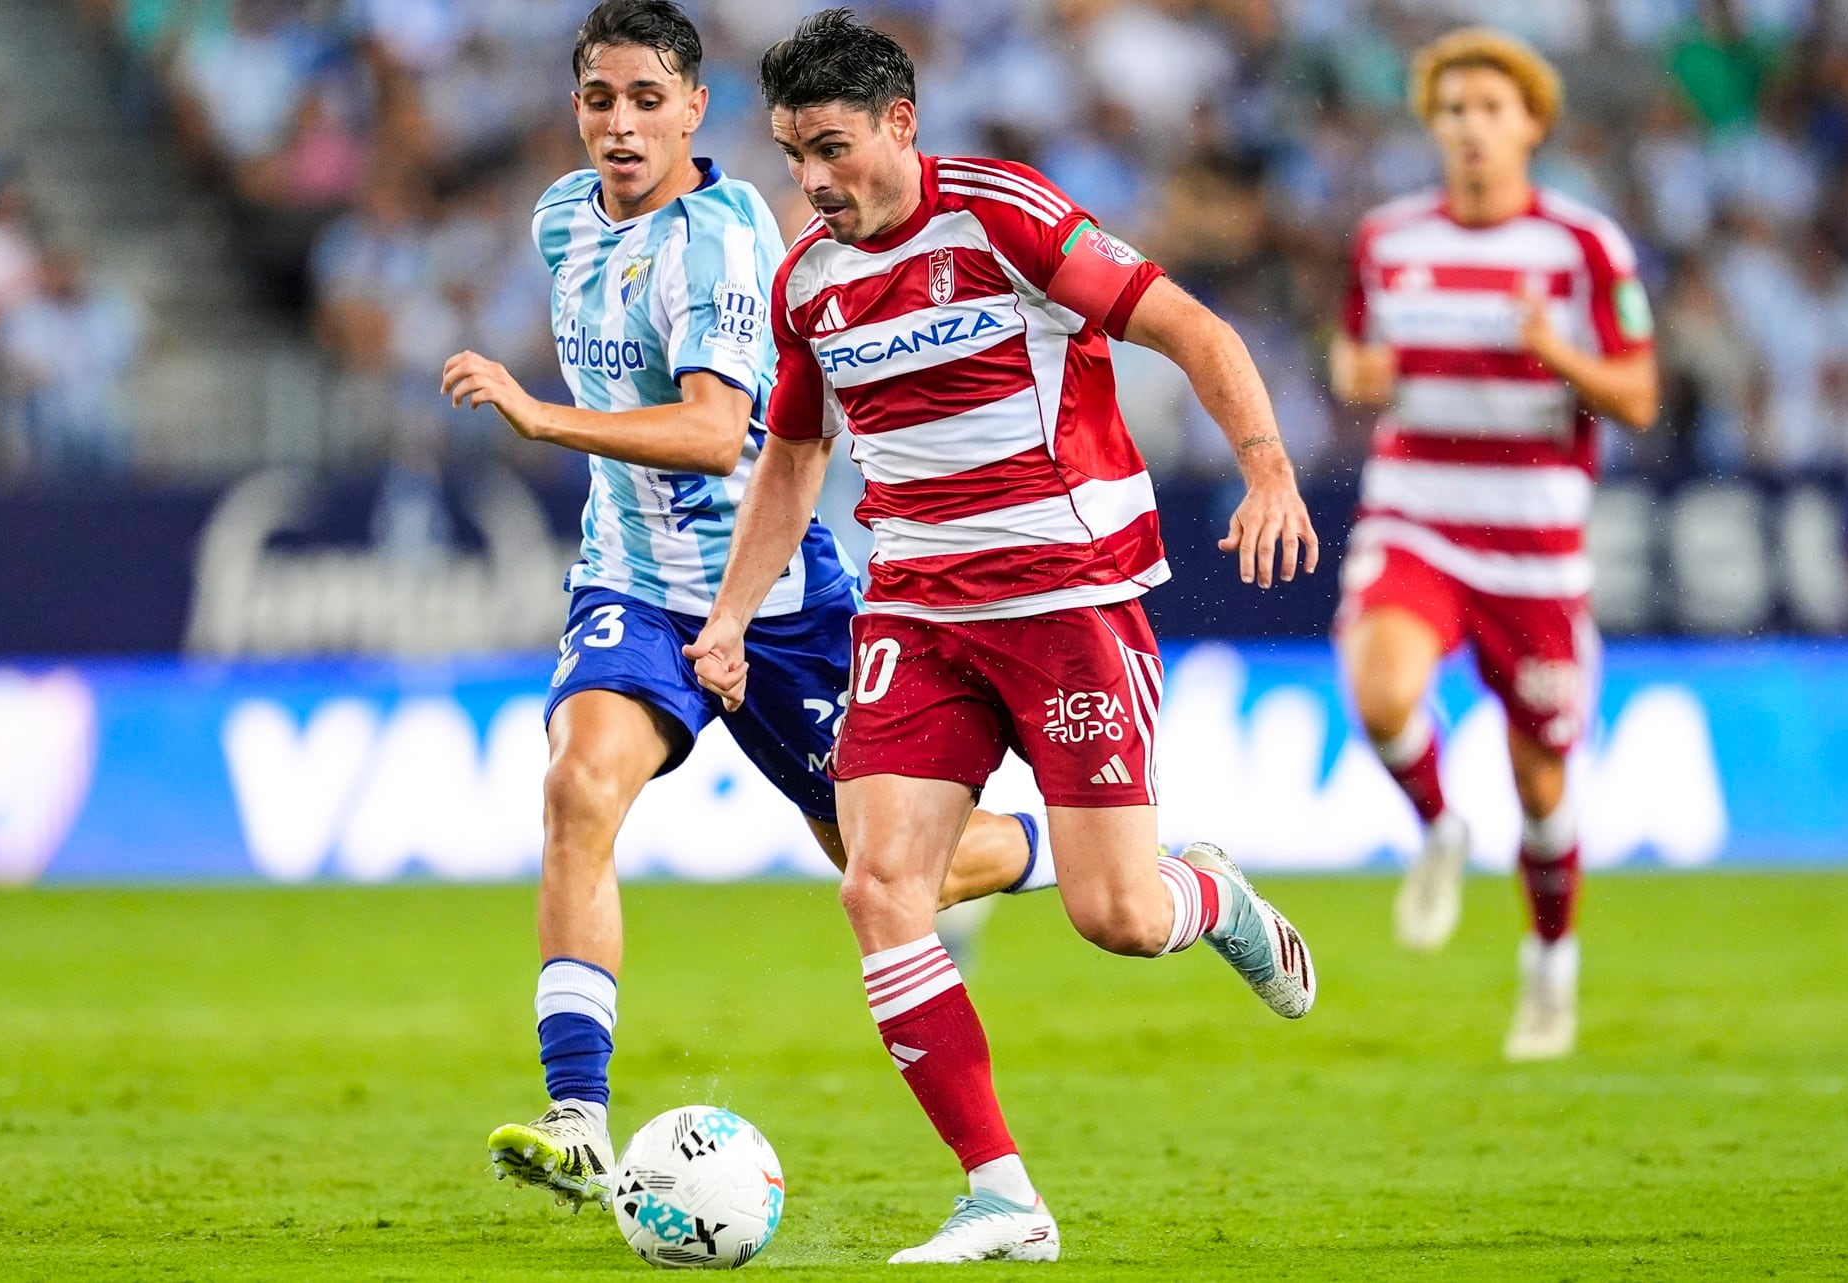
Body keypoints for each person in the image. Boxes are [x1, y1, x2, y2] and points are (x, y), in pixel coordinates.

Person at [685, 10, 1320, 1263]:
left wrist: (1266, 468)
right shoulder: (807, 278)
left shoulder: (1004, 216)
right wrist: (728, 614)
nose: (813, 180)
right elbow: (795, 458)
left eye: (832, 147)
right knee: (876, 882)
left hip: (1069, 601)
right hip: (917, 613)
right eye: (792, 153)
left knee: (1119, 916)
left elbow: (1192, 327)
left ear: (899, 126)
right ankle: (1000, 1194)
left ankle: (1212, 893)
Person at [437, 0, 1050, 1213]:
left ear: (693, 111)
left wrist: (538, 416)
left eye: (646, 101)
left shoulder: (722, 241)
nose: (620, 125)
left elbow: (722, 436)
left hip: (771, 595)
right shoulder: (561, 217)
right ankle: (578, 1115)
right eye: (599, 100)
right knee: (577, 783)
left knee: (888, 879)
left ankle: (1074, 853)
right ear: (577, 106)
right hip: (629, 580)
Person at [1327, 28, 1659, 1061]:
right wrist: (1355, 377)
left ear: (1531, 127)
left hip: (1534, 548)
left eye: (1489, 109)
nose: (1468, 127)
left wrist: (1553, 351)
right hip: (1416, 514)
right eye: (1452, 109)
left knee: (1543, 786)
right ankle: (1434, 822)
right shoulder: (1386, 238)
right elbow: (1351, 350)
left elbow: (1639, 395)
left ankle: (1549, 965)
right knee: (1380, 694)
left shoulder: (1583, 246)